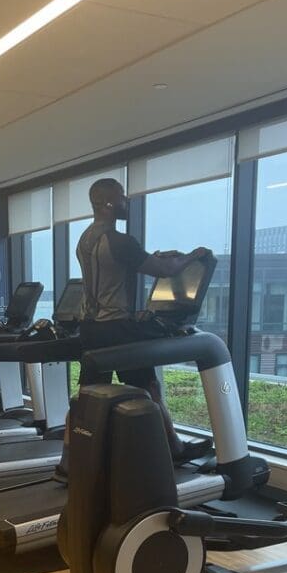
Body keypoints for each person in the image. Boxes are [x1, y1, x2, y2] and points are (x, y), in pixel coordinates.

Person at [72, 176, 213, 462]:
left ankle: (71, 458)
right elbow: (164, 269)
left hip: (90, 327)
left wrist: (156, 257)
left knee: (87, 396)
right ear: (109, 203)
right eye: (122, 196)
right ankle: (174, 449)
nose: (127, 202)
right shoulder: (118, 240)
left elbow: (123, 265)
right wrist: (192, 256)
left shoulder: (86, 238)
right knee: (148, 388)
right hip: (116, 328)